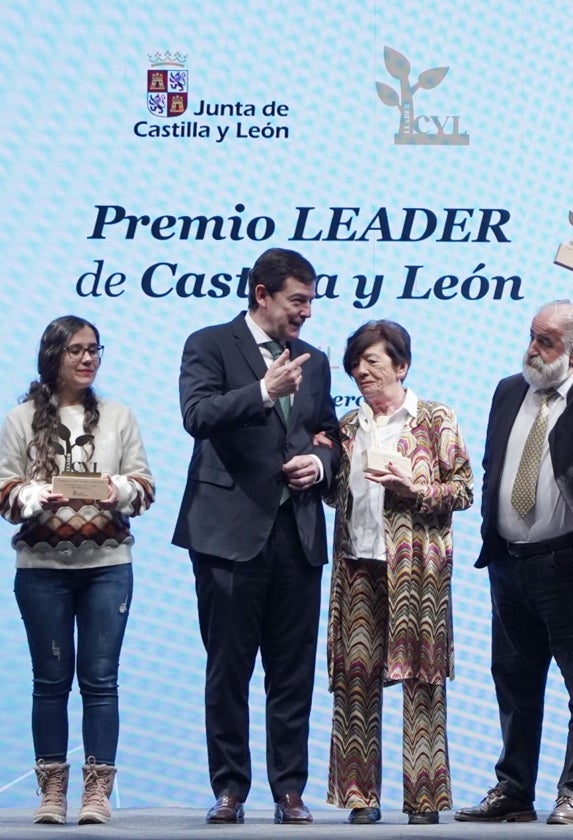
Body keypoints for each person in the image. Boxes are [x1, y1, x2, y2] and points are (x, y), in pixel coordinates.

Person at [455, 263, 573, 826]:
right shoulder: (510, 390)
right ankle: (513, 789)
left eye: (546, 340)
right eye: (531, 335)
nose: (531, 348)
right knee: (514, 680)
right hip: (510, 565)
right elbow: (494, 466)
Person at [172, 247, 341, 825]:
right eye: (297, 301)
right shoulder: (209, 344)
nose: (306, 314)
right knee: (228, 669)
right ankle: (229, 789)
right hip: (227, 534)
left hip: (296, 535)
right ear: (261, 294)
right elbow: (197, 415)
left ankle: (289, 790)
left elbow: (328, 434)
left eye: (311, 303)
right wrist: (264, 391)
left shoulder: (315, 361)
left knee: (292, 673)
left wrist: (320, 464)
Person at [0, 316, 154, 826]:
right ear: (53, 357)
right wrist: (29, 494)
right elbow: (3, 492)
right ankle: (50, 795)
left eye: (94, 350)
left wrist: (119, 491)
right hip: (42, 568)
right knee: (49, 681)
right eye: (76, 351)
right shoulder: (21, 419)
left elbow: (145, 487)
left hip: (107, 567)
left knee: (101, 681)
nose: (88, 359)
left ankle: (96, 795)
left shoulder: (118, 416)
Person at [323, 320, 473, 825]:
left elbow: (465, 490)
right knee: (356, 680)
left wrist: (417, 490)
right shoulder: (347, 427)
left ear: (401, 366)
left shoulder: (434, 419)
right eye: (356, 362)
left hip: (418, 574)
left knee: (422, 681)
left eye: (373, 361)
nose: (361, 371)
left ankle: (424, 799)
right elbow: (334, 493)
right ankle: (359, 797)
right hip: (358, 565)